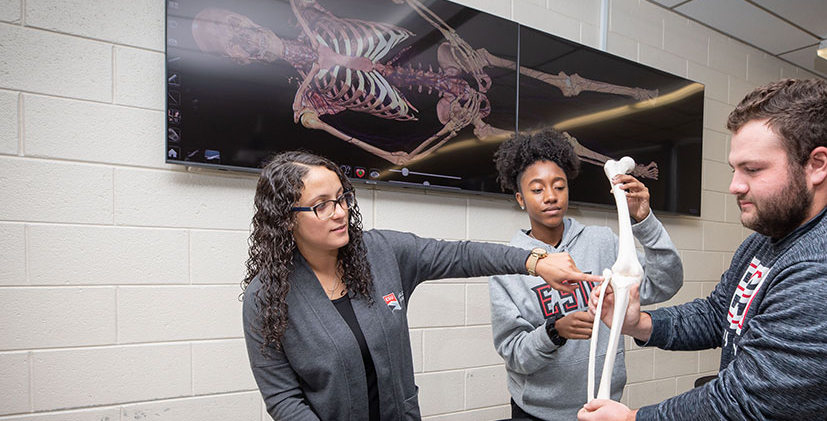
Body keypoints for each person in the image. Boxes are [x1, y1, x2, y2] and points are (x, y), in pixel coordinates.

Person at [580, 78, 827, 420]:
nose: (734, 186)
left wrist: (632, 419)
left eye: (752, 169)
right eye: (736, 169)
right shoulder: (774, 237)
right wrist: (640, 324)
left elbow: (750, 404)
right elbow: (720, 314)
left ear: (817, 165)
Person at [241, 150, 601, 421]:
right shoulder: (267, 295)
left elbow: (461, 255)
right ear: (286, 221)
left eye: (342, 198)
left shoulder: (381, 252)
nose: (339, 212)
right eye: (321, 205)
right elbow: (283, 398)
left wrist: (535, 262)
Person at [488, 127, 684, 420]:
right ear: (520, 198)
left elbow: (664, 283)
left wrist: (644, 219)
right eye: (537, 189)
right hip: (536, 412)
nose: (551, 196)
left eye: (559, 186)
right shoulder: (509, 265)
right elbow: (515, 354)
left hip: (603, 406)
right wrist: (555, 332)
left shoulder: (602, 242)